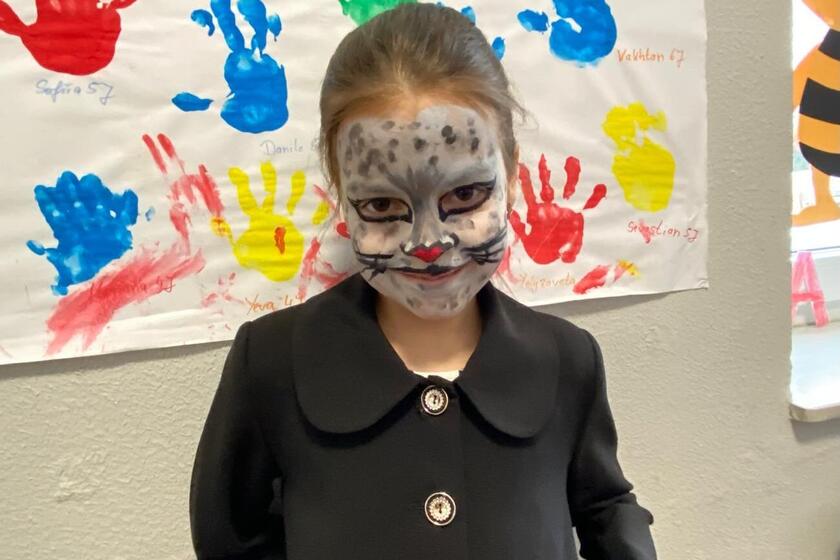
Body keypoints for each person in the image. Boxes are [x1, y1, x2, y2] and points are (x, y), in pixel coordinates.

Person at [189, 4, 657, 559]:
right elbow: (229, 540)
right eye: (382, 205)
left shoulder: (568, 360)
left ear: (511, 173)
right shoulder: (271, 362)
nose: (428, 244)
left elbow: (605, 505)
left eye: (465, 195)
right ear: (342, 196)